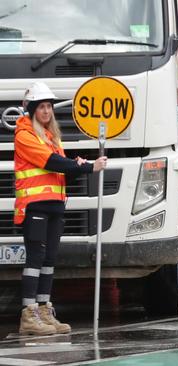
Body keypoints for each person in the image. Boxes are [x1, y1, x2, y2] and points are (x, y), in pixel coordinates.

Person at [14, 82, 108, 336]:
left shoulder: (49, 137)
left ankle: (43, 309)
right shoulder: (25, 136)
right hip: (34, 206)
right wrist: (88, 167)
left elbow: (62, 167)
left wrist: (79, 164)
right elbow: (52, 163)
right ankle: (29, 314)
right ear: (32, 110)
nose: (46, 111)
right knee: (35, 259)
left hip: (54, 206)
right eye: (41, 107)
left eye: (49, 107)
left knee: (48, 260)